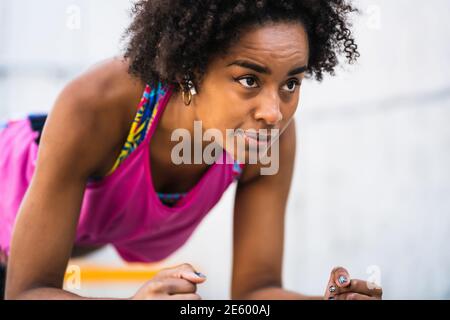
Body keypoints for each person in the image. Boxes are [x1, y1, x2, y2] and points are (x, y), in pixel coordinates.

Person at [0, 0, 382, 300]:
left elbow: (255, 292)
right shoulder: (96, 107)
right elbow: (28, 290)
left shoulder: (270, 141)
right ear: (189, 72)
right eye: (249, 79)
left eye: (291, 83)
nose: (274, 112)